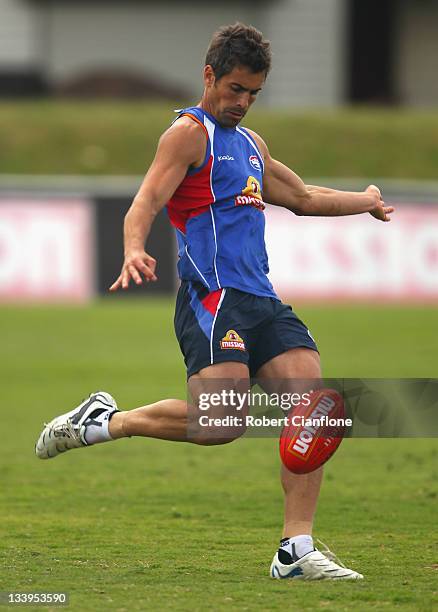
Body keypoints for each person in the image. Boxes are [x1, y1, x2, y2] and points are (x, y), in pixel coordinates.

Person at [35, 23, 394, 581]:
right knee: (222, 423)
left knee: (313, 409)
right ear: (209, 77)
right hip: (213, 300)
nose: (243, 103)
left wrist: (364, 201)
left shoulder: (252, 145)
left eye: (253, 93)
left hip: (264, 300)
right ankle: (108, 421)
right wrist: (133, 249)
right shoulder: (187, 134)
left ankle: (295, 551)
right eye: (234, 89)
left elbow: (301, 196)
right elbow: (146, 200)